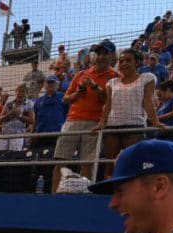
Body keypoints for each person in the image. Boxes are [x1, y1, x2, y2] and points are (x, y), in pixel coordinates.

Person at [53, 40, 120, 192]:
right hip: (72, 121)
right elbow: (65, 98)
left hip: (95, 122)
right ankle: (54, 195)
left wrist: (94, 86)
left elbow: (108, 101)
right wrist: (77, 94)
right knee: (60, 160)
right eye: (98, 53)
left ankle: (84, 193)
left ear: (112, 56)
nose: (101, 57)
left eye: (105, 53)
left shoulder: (115, 77)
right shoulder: (81, 74)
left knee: (87, 162)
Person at [93, 49, 164, 179]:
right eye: (121, 61)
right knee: (110, 163)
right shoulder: (112, 82)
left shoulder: (147, 78)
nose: (124, 63)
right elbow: (108, 105)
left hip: (134, 126)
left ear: (137, 62)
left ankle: (133, 191)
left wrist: (155, 121)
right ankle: (108, 191)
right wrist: (102, 123)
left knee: (133, 161)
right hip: (112, 126)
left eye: (128, 60)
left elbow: (148, 101)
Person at [33, 76, 68, 156]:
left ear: (57, 85)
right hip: (42, 132)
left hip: (57, 132)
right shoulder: (39, 100)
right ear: (45, 85)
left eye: (53, 83)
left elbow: (67, 112)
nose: (50, 85)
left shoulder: (62, 97)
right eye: (48, 83)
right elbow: (36, 117)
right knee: (41, 155)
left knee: (56, 155)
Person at [0, 84, 34, 152]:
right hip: (4, 133)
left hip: (17, 135)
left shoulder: (29, 104)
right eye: (18, 91)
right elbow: (0, 119)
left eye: (22, 91)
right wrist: (10, 113)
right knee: (0, 155)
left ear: (26, 93)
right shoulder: (9, 103)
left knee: (14, 156)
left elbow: (31, 121)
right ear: (15, 92)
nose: (20, 93)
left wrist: (19, 115)